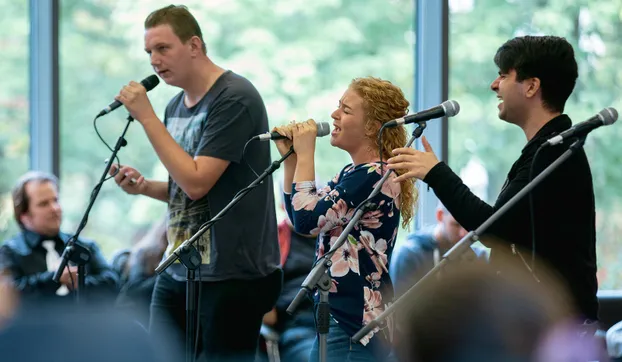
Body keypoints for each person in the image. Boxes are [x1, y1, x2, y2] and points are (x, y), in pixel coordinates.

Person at [108, 5, 282, 361]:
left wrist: (145, 117)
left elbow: (197, 182)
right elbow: (186, 192)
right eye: (149, 53)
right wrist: (145, 187)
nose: (154, 61)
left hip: (231, 274)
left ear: (194, 46)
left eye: (162, 48)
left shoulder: (234, 97)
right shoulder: (175, 107)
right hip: (182, 265)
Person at [387, 35, 599, 323]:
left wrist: (436, 173)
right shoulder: (545, 150)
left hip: (556, 323)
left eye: (503, 75)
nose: (494, 85)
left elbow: (495, 228)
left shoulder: (555, 152)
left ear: (532, 86)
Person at [273, 77, 416, 361]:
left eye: (346, 110)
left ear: (373, 126)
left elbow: (306, 220)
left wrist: (307, 152)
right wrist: (291, 161)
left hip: (355, 323)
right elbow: (301, 218)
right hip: (344, 319)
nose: (334, 115)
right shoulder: (352, 173)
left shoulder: (376, 174)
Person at [0, 171, 118, 306]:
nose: (55, 208)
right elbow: (7, 296)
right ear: (24, 215)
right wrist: (54, 279)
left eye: (55, 200)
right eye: (44, 204)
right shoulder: (10, 252)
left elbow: (113, 284)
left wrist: (79, 283)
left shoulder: (85, 246)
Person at [390, 202, 488, 297]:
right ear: (440, 215)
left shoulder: (477, 257)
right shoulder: (408, 255)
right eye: (456, 225)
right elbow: (401, 311)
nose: (463, 233)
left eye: (469, 227)